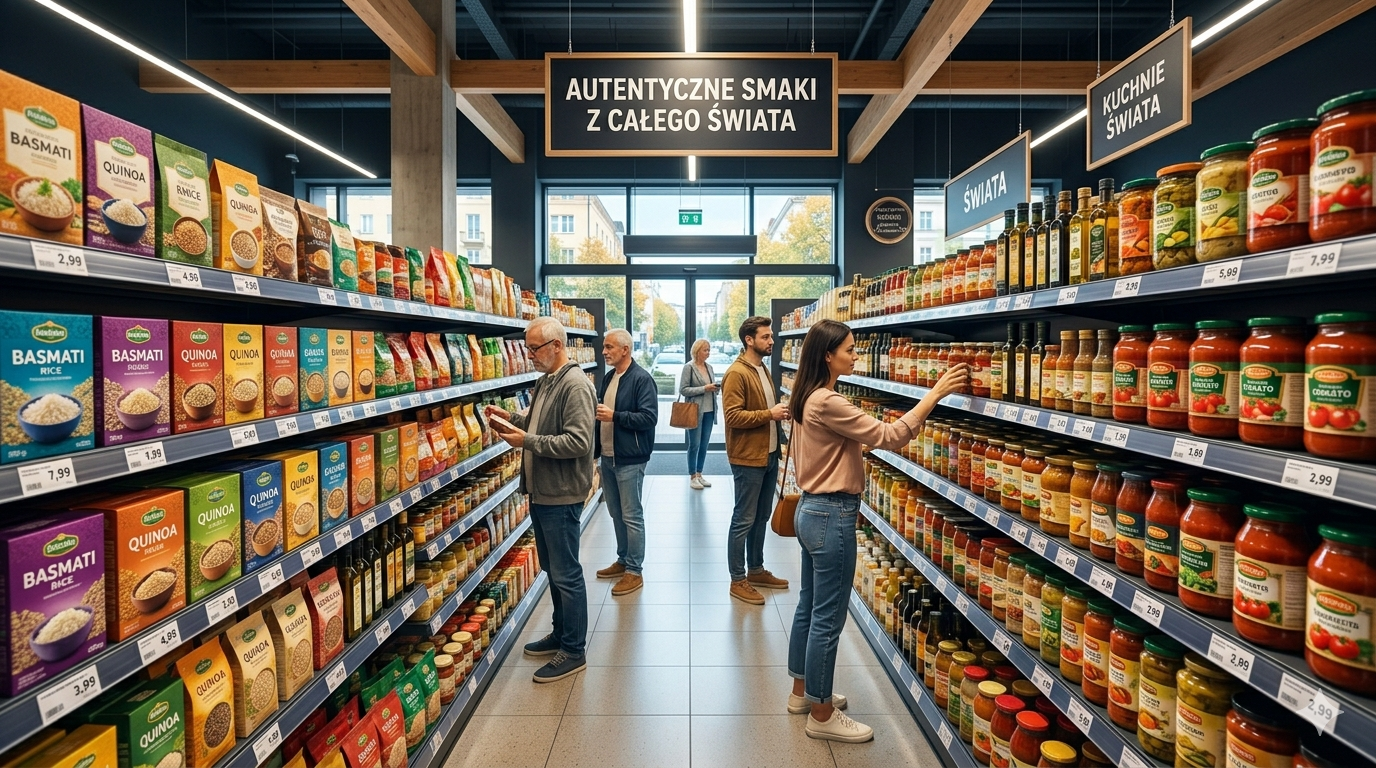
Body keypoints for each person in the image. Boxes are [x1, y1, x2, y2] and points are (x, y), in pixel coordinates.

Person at [785, 318, 968, 742]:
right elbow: (893, 435)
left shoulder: (806, 396)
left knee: (809, 607)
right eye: (850, 349)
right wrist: (935, 393)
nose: (856, 355)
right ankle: (822, 714)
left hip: (812, 510)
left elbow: (832, 444)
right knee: (827, 619)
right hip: (833, 515)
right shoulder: (828, 400)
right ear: (828, 355)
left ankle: (803, 692)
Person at [486, 316, 597, 684]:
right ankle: (560, 632)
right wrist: (511, 419)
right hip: (541, 491)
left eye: (534, 348)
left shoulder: (575, 385)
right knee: (552, 567)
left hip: (561, 493)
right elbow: (537, 427)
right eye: (528, 347)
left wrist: (526, 441)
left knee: (566, 572)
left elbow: (579, 442)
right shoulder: (546, 381)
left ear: (557, 346)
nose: (529, 354)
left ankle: (574, 649)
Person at [722, 316, 790, 605]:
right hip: (748, 458)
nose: (771, 340)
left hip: (767, 455)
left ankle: (757, 569)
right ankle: (738, 579)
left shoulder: (762, 369)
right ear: (749, 340)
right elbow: (733, 417)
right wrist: (770, 414)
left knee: (761, 516)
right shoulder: (737, 373)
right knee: (743, 519)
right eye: (765, 337)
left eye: (771, 336)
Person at [593, 328, 658, 597]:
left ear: (625, 350)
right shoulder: (609, 377)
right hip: (608, 456)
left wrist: (615, 416)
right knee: (615, 512)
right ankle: (622, 559)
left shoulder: (642, 379)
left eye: (609, 347)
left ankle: (634, 570)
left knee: (632, 515)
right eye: (604, 347)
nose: (604, 351)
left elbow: (649, 418)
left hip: (630, 458)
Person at [678, 338, 719, 490]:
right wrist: (704, 388)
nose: (708, 353)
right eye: (705, 350)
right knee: (694, 444)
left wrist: (715, 388)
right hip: (694, 411)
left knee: (704, 444)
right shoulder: (689, 367)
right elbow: (683, 390)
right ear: (697, 351)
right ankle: (692, 476)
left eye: (709, 350)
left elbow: (710, 387)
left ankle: (700, 474)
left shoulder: (709, 367)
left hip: (709, 411)